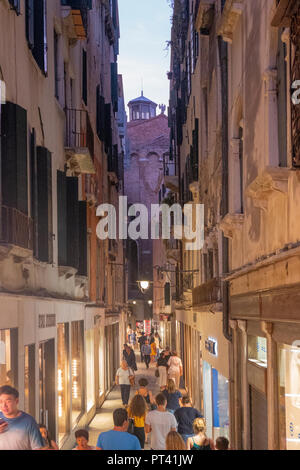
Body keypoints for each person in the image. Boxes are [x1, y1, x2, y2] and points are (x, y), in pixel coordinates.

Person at [0, 385, 44, 450]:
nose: (4, 405)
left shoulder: (29, 421)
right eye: (0, 401)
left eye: (8, 401)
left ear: (16, 401)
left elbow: (37, 448)